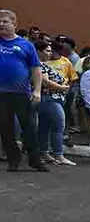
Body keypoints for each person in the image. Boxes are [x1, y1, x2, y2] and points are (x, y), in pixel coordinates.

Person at [0, 10, 47, 172]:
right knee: (5, 129)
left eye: (5, 21)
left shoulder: (26, 45)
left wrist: (38, 91)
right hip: (1, 94)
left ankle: (35, 160)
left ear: (14, 24)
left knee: (29, 128)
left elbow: (36, 69)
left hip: (21, 93)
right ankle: (13, 160)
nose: (1, 24)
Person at [34, 40, 74, 166]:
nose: (50, 53)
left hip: (51, 99)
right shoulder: (38, 65)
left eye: (51, 50)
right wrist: (61, 87)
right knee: (58, 126)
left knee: (45, 127)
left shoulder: (42, 64)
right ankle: (59, 154)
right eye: (47, 50)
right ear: (39, 52)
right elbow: (45, 82)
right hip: (50, 99)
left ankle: (44, 153)